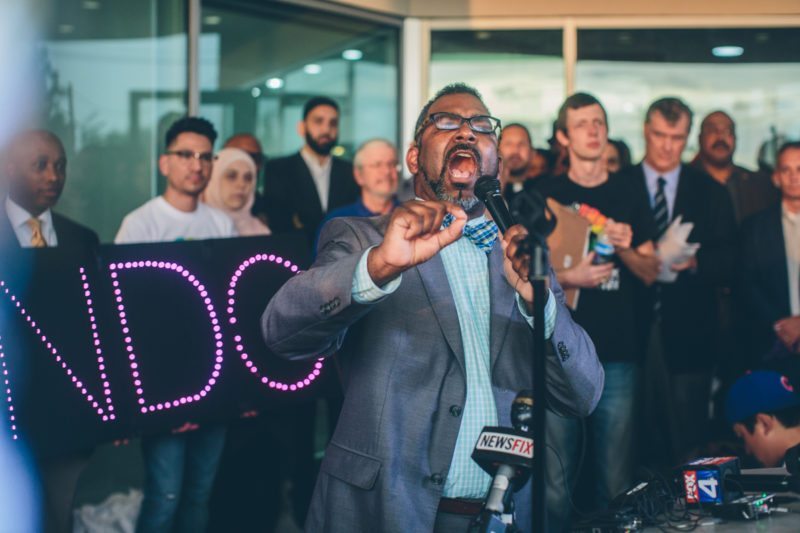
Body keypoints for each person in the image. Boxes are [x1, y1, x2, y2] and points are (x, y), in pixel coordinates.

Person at [261, 82, 604, 532]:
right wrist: (378, 268)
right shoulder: (364, 237)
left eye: (482, 127)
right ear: (414, 157)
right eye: (446, 123)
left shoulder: (521, 253)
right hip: (385, 512)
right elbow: (280, 333)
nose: (466, 133)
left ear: (495, 162)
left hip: (500, 516)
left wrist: (541, 311)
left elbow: (583, 395)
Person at [537, 93, 658, 526]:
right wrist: (570, 279)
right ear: (563, 137)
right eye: (583, 123)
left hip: (618, 353)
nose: (593, 130)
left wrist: (626, 249)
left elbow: (650, 270)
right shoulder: (545, 194)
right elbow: (515, 273)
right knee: (555, 483)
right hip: (559, 354)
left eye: (599, 122)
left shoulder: (628, 191)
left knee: (616, 483)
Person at [115, 116, 236, 533]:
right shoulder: (140, 224)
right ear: (164, 163)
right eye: (185, 154)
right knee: (165, 496)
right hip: (162, 384)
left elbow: (228, 310)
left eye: (205, 156)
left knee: (200, 495)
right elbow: (127, 318)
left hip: (213, 380)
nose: (196, 164)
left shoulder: (222, 224)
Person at [622, 97, 737, 467]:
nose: (668, 146)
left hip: (691, 330)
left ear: (688, 137)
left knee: (688, 438)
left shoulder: (710, 192)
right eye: (660, 136)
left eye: (677, 137)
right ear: (646, 131)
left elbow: (733, 259)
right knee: (632, 440)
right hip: (628, 331)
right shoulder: (618, 185)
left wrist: (695, 261)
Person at [1, 129, 99, 533]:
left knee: (59, 518)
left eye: (59, 166)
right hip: (8, 423)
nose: (53, 176)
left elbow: (96, 335)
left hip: (65, 420)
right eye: (40, 165)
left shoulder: (82, 240)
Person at [262, 96, 359, 247]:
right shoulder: (278, 170)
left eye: (333, 123)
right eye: (318, 121)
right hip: (297, 260)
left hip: (344, 261)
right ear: (302, 127)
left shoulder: (350, 171)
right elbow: (280, 224)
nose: (326, 130)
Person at [740, 142, 800, 362]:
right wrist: (782, 325)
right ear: (775, 177)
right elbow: (747, 284)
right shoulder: (755, 227)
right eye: (786, 170)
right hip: (772, 343)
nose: (794, 177)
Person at [690, 111, 778, 223]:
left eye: (728, 131)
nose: (720, 137)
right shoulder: (683, 181)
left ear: (736, 139)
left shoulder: (760, 184)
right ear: (700, 139)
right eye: (712, 130)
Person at [726, 370, 800, 468]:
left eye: (742, 437)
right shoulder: (790, 466)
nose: (747, 451)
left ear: (764, 423)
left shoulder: (793, 473)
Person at [201, 147, 270, 236]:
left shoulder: (261, 231)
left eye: (248, 178)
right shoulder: (195, 226)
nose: (241, 185)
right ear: (212, 180)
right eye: (231, 176)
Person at [223, 133, 269, 227]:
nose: (248, 164)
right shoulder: (200, 205)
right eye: (241, 157)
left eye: (256, 159)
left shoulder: (268, 208)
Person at [498, 123, 533, 203]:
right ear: (497, 149)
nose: (515, 150)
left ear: (531, 151)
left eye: (522, 144)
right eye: (508, 144)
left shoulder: (545, 191)